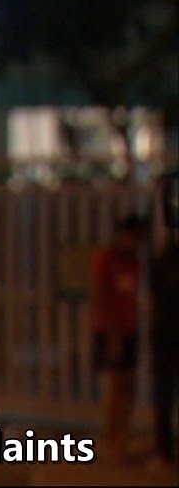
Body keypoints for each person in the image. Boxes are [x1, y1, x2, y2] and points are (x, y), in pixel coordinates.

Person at [89, 212, 147, 462]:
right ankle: (111, 440)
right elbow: (101, 296)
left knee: (128, 386)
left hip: (129, 328)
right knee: (115, 388)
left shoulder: (133, 262)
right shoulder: (106, 258)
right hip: (110, 330)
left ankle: (122, 438)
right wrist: (112, 335)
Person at [148, 170, 179, 470]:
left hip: (165, 329)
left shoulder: (164, 253)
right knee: (164, 392)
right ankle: (163, 448)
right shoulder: (165, 253)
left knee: (164, 391)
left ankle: (164, 448)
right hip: (166, 331)